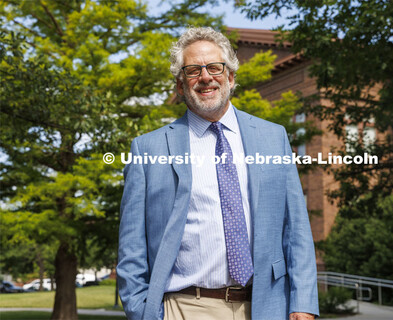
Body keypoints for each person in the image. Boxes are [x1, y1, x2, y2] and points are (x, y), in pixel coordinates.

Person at [117, 27, 319, 320]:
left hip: (268, 306)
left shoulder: (273, 138)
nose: (205, 77)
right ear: (180, 85)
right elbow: (131, 247)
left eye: (214, 67)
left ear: (231, 77)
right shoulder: (148, 148)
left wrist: (303, 302)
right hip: (187, 307)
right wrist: (143, 312)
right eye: (193, 70)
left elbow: (296, 229)